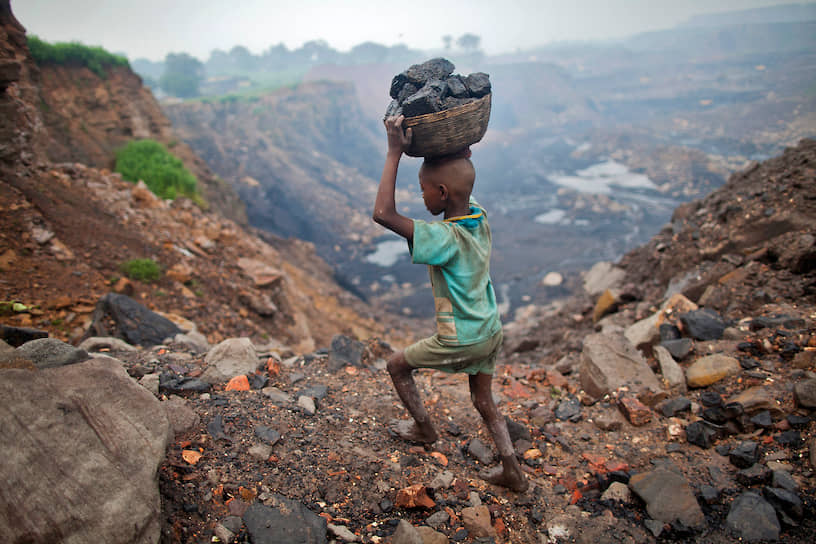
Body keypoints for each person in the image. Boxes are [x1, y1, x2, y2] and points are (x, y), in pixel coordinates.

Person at [372, 115, 529, 492]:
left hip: (461, 337)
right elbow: (464, 181)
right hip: (490, 329)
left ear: (442, 194)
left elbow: (383, 214)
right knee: (483, 399)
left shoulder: (444, 238)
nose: (422, 197)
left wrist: (394, 153)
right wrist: (457, 149)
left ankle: (425, 429)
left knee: (396, 366)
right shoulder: (478, 217)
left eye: (424, 190)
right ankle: (512, 471)